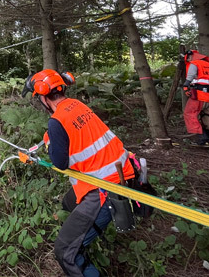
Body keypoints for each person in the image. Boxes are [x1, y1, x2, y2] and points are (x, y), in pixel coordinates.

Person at [23, 69, 136, 277]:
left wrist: (50, 142)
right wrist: (54, 136)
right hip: (121, 174)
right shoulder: (78, 105)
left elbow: (60, 162)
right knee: (68, 202)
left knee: (65, 252)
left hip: (104, 190)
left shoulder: (56, 121)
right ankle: (84, 235)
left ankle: (78, 248)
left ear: (43, 96)